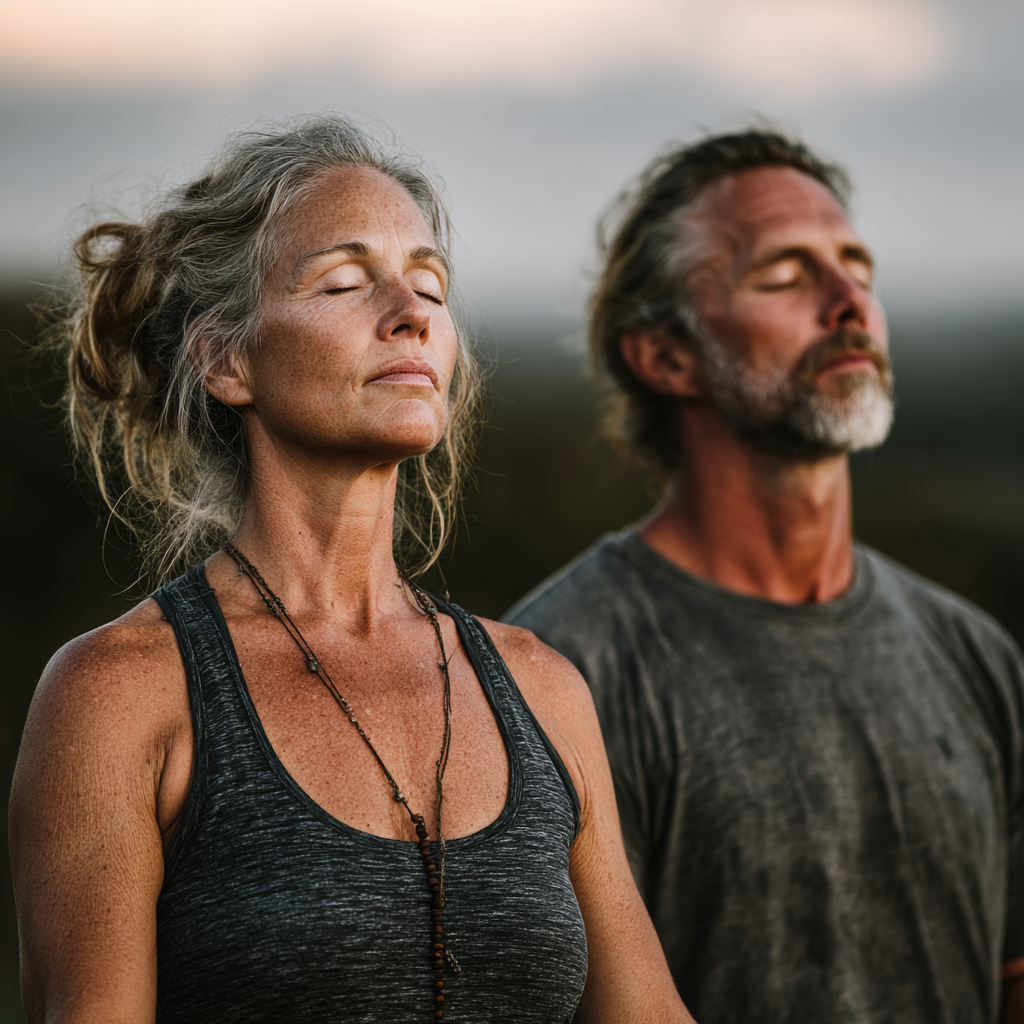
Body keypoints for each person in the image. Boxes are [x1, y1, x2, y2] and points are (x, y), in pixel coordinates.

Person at [8, 116, 694, 1024]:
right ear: (225, 358)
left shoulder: (541, 689)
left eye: (431, 285)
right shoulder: (121, 694)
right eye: (342, 280)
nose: (412, 311)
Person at [506, 129, 1024, 1024]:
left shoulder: (978, 658)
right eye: (785, 275)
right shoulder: (561, 674)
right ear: (663, 356)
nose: (848, 302)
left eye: (857, 266)